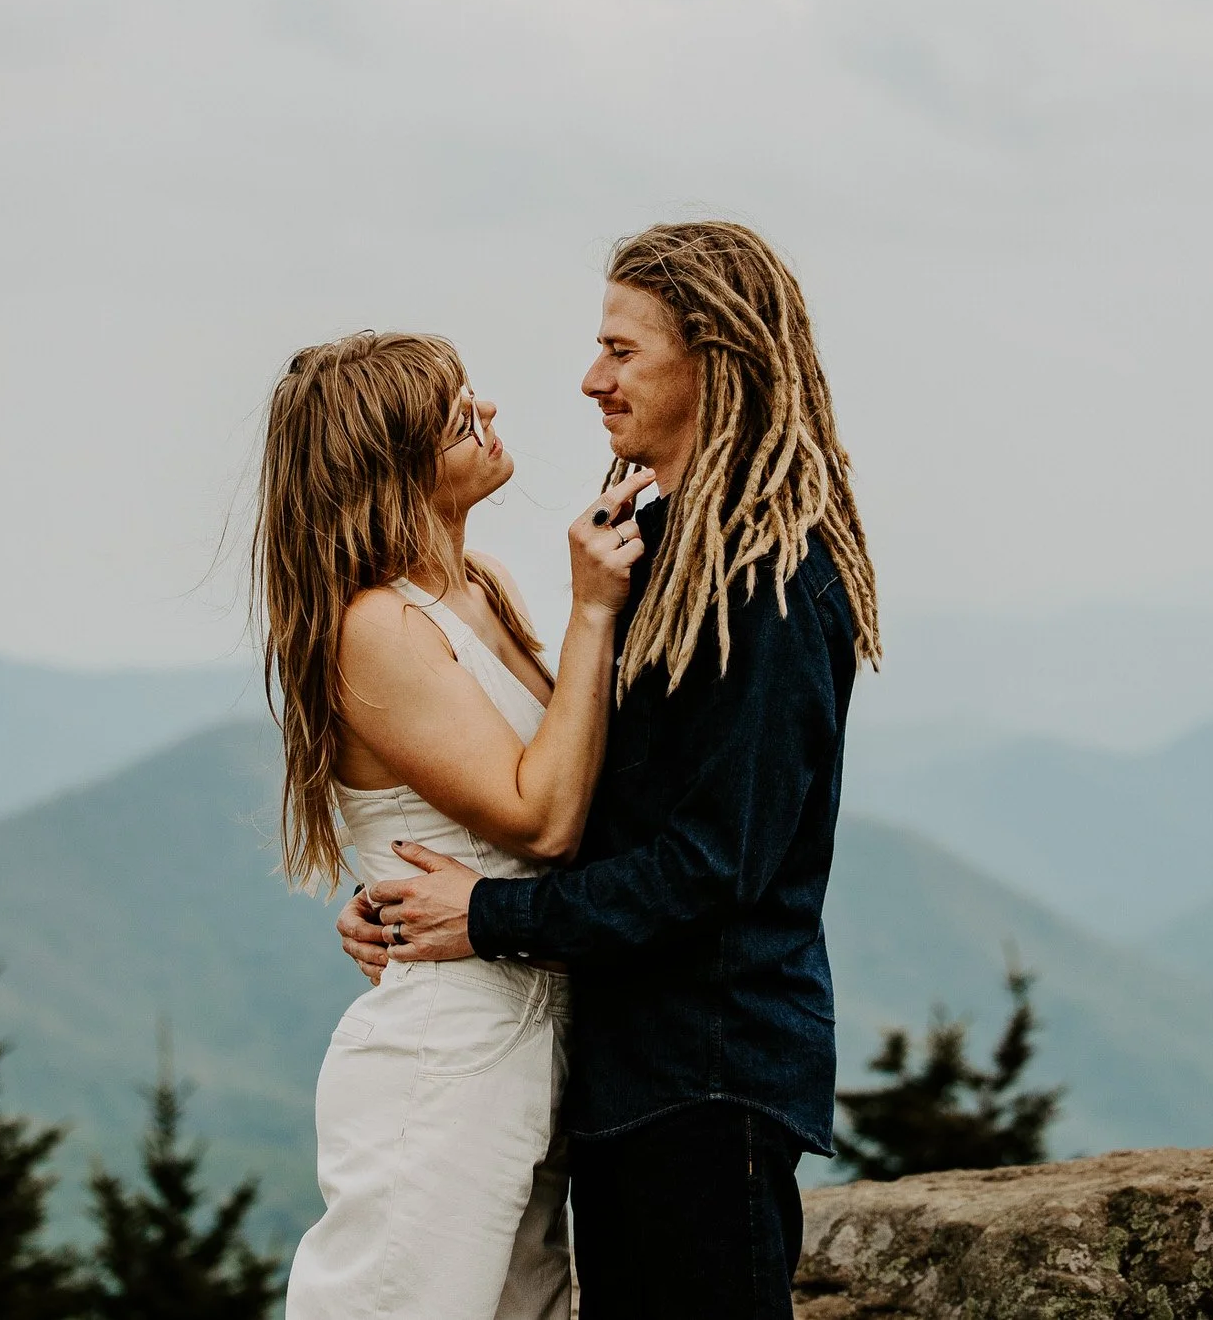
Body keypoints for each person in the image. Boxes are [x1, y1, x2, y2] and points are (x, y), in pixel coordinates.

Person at [345, 222, 880, 1320]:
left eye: (622, 350)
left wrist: (486, 914)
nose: (591, 380)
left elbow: (712, 861)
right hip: (635, 1070)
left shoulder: (765, 576)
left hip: (709, 1071)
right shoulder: (659, 546)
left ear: (715, 356)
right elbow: (599, 799)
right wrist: (404, 900)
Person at [261, 330, 653, 1320]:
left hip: (539, 1044)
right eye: (455, 413)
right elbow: (545, 818)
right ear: (392, 459)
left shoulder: (483, 588)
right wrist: (595, 609)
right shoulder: (377, 625)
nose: (487, 417)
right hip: (447, 1058)